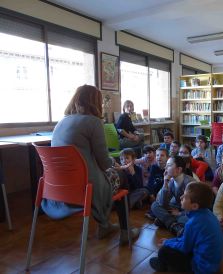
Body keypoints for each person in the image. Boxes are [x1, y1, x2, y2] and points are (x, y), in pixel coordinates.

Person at [45, 85, 138, 244]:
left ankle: (105, 225)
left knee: (106, 174)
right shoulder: (93, 122)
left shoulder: (61, 122)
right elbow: (104, 163)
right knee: (123, 176)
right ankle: (125, 231)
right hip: (84, 188)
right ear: (96, 102)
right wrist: (115, 163)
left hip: (57, 190)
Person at [149, 182, 223, 273]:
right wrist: (170, 241)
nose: (181, 197)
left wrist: (166, 243)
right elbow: (186, 240)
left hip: (201, 269)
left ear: (194, 206)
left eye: (184, 196)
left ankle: (163, 266)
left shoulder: (193, 223)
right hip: (213, 265)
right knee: (178, 240)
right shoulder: (207, 214)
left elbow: (184, 247)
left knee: (164, 251)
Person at [150, 156, 196, 236]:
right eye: (166, 165)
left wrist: (180, 214)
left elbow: (195, 207)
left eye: (169, 165)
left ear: (179, 169)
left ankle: (166, 220)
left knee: (188, 220)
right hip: (178, 207)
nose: (165, 167)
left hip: (189, 211)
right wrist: (165, 182)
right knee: (154, 205)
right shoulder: (171, 181)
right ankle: (174, 225)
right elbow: (162, 203)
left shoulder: (190, 183)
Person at [145, 148, 169, 220]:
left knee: (162, 199)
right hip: (156, 189)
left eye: (162, 155)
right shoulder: (154, 167)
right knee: (146, 191)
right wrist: (151, 194)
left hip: (164, 190)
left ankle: (153, 213)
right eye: (157, 155)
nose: (159, 157)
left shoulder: (169, 168)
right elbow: (150, 181)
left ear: (167, 158)